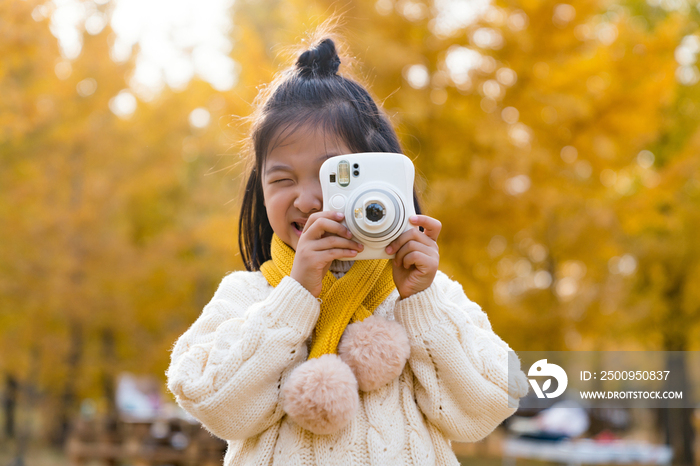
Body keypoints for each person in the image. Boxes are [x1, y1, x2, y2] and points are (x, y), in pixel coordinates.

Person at [166, 32, 529, 466]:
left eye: (328, 177)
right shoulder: (250, 297)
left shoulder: (426, 297)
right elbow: (209, 398)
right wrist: (295, 296)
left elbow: (491, 402)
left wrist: (423, 302)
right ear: (259, 190)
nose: (304, 199)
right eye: (281, 180)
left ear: (378, 177)